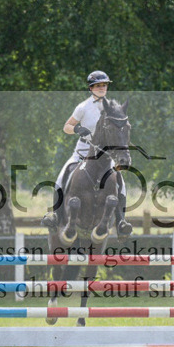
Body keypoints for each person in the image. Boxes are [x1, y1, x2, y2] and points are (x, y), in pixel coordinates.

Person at [41, 70, 132, 237]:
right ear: (91, 88)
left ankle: (121, 221)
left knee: (121, 184)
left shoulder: (114, 109)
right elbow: (66, 127)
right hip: (82, 152)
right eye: (98, 86)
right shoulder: (83, 107)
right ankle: (55, 216)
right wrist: (77, 128)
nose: (102, 88)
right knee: (61, 178)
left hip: (105, 155)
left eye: (104, 85)